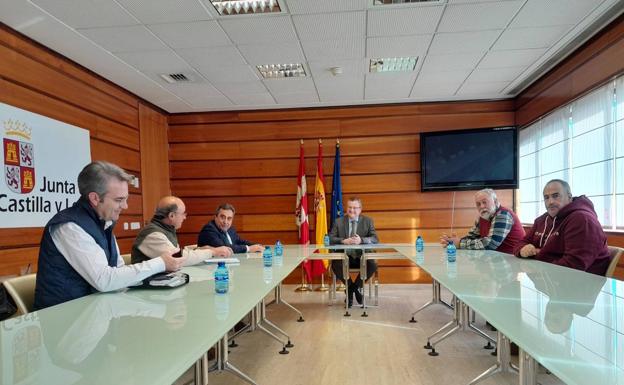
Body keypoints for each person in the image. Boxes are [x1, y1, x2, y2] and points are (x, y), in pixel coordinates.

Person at [34, 161, 185, 310]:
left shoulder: (104, 223)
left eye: (126, 199)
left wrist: (157, 306)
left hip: (92, 312)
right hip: (62, 321)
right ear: (94, 198)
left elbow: (118, 272)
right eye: (119, 200)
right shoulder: (69, 227)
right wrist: (160, 263)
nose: (125, 206)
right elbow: (104, 280)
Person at [514, 179, 612, 275]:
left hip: (580, 285)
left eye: (556, 196)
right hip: (548, 281)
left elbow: (572, 267)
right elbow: (520, 243)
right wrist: (522, 250)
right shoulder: (541, 220)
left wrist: (537, 254)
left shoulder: (582, 219)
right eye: (546, 197)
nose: (550, 202)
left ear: (569, 197)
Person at [131, 196, 233, 266]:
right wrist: (213, 251)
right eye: (183, 213)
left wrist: (200, 250)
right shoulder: (153, 235)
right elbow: (179, 258)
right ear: (171, 216)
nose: (185, 217)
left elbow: (177, 252)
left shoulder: (166, 229)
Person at [440, 188, 525, 253]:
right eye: (478, 204)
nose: (481, 206)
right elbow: (472, 237)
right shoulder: (483, 217)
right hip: (496, 260)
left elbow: (491, 244)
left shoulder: (503, 214)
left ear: (495, 201)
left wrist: (459, 243)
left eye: (485, 202)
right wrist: (453, 241)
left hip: (514, 261)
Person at [329, 196, 379, 307]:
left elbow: (375, 239)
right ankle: (355, 290)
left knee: (372, 264)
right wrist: (343, 241)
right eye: (350, 207)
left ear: (360, 209)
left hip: (362, 257)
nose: (352, 210)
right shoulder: (338, 222)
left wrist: (362, 240)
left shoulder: (367, 221)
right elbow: (330, 238)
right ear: (346, 208)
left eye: (355, 208)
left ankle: (351, 289)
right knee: (335, 264)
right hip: (345, 256)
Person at [197, 203, 264, 253]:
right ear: (215, 217)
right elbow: (225, 248)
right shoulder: (209, 230)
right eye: (222, 217)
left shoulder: (230, 229)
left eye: (229, 218)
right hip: (210, 268)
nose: (225, 222)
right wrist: (249, 248)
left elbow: (239, 241)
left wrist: (256, 245)